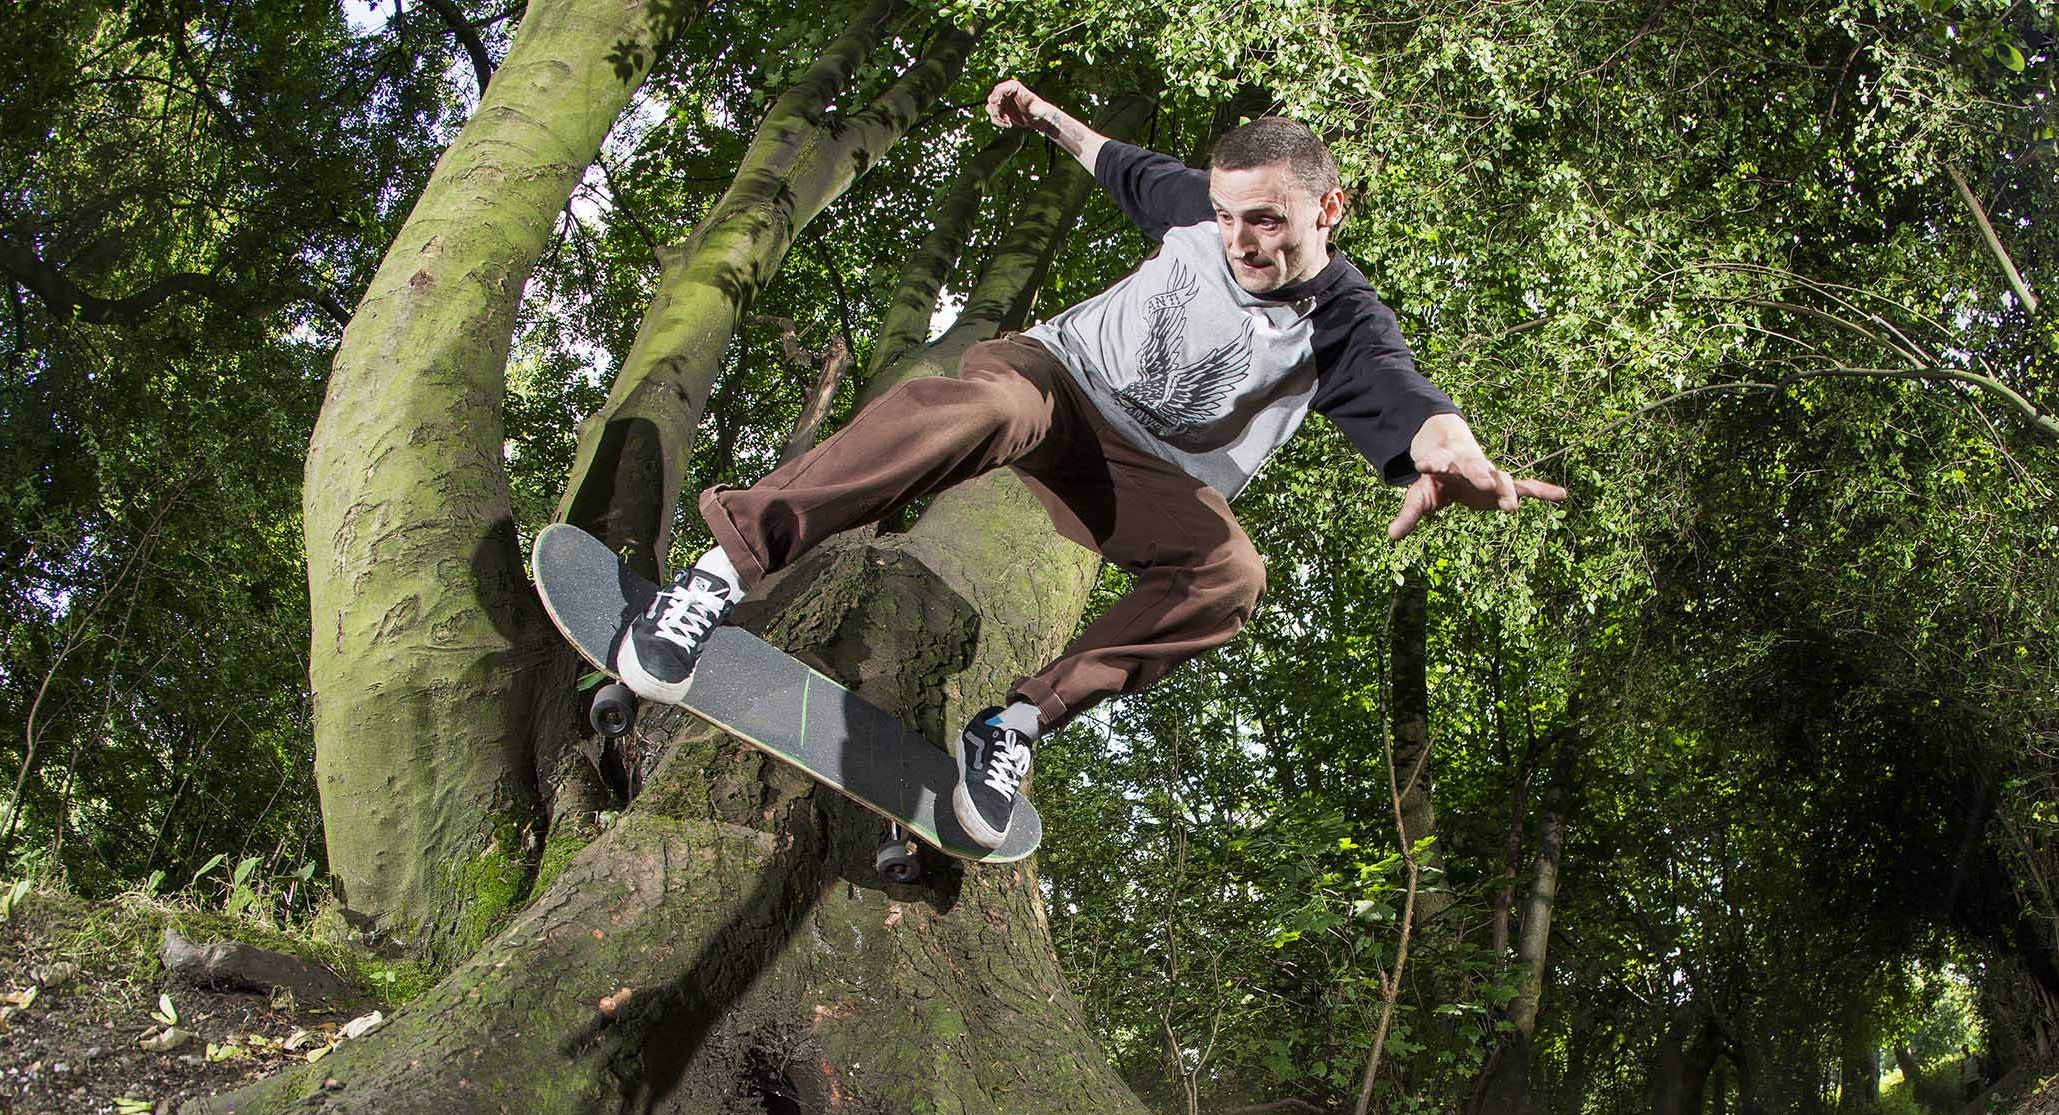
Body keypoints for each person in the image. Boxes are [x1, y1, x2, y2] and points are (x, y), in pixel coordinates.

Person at [617, 79, 1565, 848]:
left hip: (1147, 482)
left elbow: (1407, 398)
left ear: (1329, 208)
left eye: (1269, 222)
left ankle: (1017, 724)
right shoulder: (1202, 205)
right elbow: (1115, 161)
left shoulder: (1345, 320)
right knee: (983, 399)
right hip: (1057, 386)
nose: (1241, 243)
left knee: (1233, 574)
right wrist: (1040, 115)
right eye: (1231, 216)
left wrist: (1458, 452)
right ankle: (721, 572)